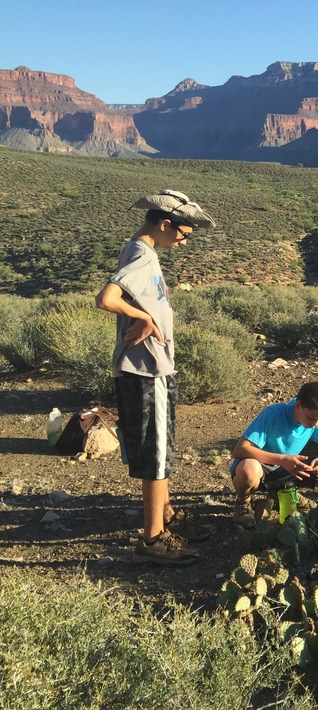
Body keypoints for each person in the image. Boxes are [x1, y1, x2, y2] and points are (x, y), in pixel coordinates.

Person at [96, 189, 216, 566]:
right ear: (164, 224)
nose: (184, 240)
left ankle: (165, 514)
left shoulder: (142, 251)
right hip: (148, 371)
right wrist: (146, 318)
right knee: (156, 454)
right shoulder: (141, 255)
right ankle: (153, 540)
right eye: (183, 233)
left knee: (156, 448)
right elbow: (106, 298)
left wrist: (142, 313)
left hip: (147, 369)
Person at [231, 381, 318, 528]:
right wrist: (282, 460)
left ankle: (284, 494)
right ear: (298, 405)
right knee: (248, 470)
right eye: (312, 418)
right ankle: (243, 502)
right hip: (261, 468)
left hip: (288, 468)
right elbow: (239, 450)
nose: (315, 423)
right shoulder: (274, 414)